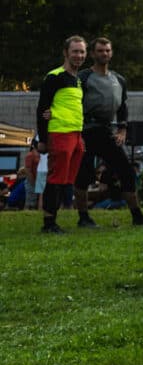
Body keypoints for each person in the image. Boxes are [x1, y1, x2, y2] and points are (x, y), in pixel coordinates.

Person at [78, 36, 143, 225]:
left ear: (112, 53)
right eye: (100, 51)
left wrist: (123, 129)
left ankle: (137, 215)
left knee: (127, 172)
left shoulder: (119, 79)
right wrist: (76, 133)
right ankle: (83, 217)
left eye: (107, 50)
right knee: (84, 174)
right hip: (85, 130)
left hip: (107, 131)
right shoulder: (83, 78)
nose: (104, 54)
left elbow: (122, 107)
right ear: (93, 54)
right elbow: (74, 104)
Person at [34, 36, 91, 233]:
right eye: (75, 51)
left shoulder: (78, 80)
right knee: (55, 178)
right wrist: (43, 139)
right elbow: (42, 108)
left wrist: (80, 136)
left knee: (67, 180)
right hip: (59, 134)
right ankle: (49, 223)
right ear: (66, 53)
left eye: (82, 52)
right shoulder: (54, 77)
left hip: (75, 135)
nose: (79, 55)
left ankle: (57, 218)